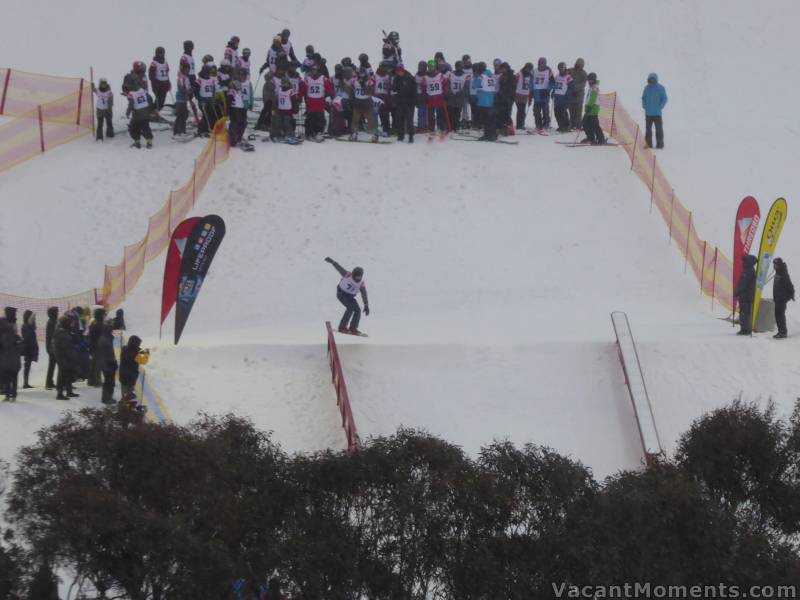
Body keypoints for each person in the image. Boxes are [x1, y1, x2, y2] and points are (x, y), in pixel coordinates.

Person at [325, 257, 369, 335]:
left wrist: (366, 304)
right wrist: (332, 261)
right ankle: (342, 327)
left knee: (358, 310)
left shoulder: (361, 283)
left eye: (360, 277)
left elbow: (364, 294)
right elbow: (339, 268)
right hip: (341, 293)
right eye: (357, 276)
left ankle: (353, 328)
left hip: (350, 297)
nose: (358, 278)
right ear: (353, 274)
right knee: (350, 308)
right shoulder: (347, 274)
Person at [303, 64, 332, 140]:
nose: (314, 71)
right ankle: (309, 133)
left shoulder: (323, 78)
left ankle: (319, 132)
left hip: (319, 101)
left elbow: (328, 88)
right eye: (313, 70)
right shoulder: (308, 79)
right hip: (311, 101)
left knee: (319, 117)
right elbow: (304, 89)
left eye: (315, 70)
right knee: (310, 118)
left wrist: (329, 96)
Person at [125, 75, 154, 149]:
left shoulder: (131, 93)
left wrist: (128, 112)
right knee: (146, 128)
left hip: (137, 114)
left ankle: (137, 142)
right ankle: (149, 142)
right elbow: (149, 98)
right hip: (145, 112)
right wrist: (151, 109)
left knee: (134, 127)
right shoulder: (142, 90)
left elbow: (131, 104)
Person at [53, 315, 78, 399]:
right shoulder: (64, 335)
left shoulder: (60, 331)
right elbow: (68, 349)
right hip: (64, 358)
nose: (72, 325)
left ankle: (68, 391)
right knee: (63, 375)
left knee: (66, 374)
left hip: (61, 356)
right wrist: (73, 358)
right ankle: (60, 394)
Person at [350, 69, 378, 142]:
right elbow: (351, 91)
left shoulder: (369, 81)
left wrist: (363, 85)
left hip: (367, 103)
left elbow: (369, 92)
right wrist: (352, 100)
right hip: (357, 102)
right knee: (355, 119)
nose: (361, 77)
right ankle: (354, 133)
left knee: (370, 119)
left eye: (363, 75)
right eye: (360, 75)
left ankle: (375, 134)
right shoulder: (354, 81)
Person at [642, 72, 668, 149]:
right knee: (648, 130)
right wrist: (645, 106)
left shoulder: (661, 88)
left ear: (656, 79)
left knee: (659, 130)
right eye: (651, 79)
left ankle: (660, 144)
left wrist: (660, 106)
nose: (652, 80)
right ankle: (648, 144)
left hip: (657, 114)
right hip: (648, 113)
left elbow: (665, 98)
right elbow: (643, 98)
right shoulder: (646, 88)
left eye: (653, 79)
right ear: (649, 79)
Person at [392, 63, 416, 143]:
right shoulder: (396, 78)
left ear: (403, 70)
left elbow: (414, 90)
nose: (399, 72)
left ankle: (411, 135)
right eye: (398, 71)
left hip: (409, 103)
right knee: (400, 120)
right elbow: (394, 89)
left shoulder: (410, 77)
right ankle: (400, 135)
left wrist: (413, 101)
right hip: (399, 102)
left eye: (400, 71)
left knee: (409, 120)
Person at [734, 254, 757, 335]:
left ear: (748, 262)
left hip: (746, 296)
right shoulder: (749, 270)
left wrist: (736, 292)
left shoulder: (748, 271)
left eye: (744, 261)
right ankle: (744, 329)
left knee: (744, 313)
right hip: (746, 295)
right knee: (744, 312)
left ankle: (745, 330)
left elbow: (743, 284)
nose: (742, 262)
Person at [772, 258, 795, 339]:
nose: (774, 266)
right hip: (778, 298)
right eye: (773, 264)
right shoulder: (778, 273)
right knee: (777, 315)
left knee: (780, 315)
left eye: (775, 264)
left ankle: (783, 332)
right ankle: (780, 331)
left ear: (779, 265)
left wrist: (791, 295)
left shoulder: (783, 273)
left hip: (781, 299)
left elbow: (790, 285)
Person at [423, 63, 448, 134]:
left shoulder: (440, 75)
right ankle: (431, 128)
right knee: (430, 114)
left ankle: (441, 127)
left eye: (432, 67)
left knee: (440, 113)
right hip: (430, 97)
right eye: (430, 67)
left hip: (439, 97)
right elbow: (423, 87)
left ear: (435, 67)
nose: (431, 69)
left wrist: (445, 93)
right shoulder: (426, 77)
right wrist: (425, 96)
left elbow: (445, 84)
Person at [228, 68, 250, 148]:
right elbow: (230, 94)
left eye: (244, 75)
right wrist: (230, 99)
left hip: (242, 107)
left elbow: (246, 95)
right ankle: (232, 139)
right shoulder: (233, 85)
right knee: (235, 123)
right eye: (241, 74)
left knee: (243, 123)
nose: (243, 76)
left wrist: (248, 103)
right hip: (234, 108)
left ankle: (238, 137)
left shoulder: (245, 85)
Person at [476, 63, 498, 141]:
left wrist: (476, 77)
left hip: (483, 100)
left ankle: (488, 135)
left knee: (486, 119)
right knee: (491, 119)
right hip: (491, 100)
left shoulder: (482, 76)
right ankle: (492, 134)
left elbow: (474, 85)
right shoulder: (492, 75)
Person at [1, 320, 21, 401]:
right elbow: (21, 349)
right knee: (14, 379)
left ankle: (7, 395)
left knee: (7, 380)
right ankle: (14, 395)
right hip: (15, 362)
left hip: (6, 362)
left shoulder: (3, 337)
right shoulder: (17, 337)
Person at [97, 322, 117, 404]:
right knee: (109, 382)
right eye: (111, 330)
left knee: (108, 381)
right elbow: (109, 354)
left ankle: (107, 397)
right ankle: (107, 398)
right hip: (107, 364)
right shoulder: (105, 340)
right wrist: (113, 362)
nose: (112, 332)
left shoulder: (106, 338)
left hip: (106, 363)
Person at [582, 72, 605, 144]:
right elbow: (589, 98)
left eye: (590, 80)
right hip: (589, 109)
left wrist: (589, 106)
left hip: (593, 109)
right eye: (588, 80)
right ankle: (590, 138)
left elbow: (593, 98)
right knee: (585, 124)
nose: (589, 81)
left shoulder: (595, 87)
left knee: (594, 125)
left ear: (594, 80)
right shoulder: (591, 87)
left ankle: (601, 139)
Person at [532, 57, 554, 131]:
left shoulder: (549, 71)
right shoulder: (534, 71)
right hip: (536, 94)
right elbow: (530, 82)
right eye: (540, 63)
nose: (541, 65)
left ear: (545, 64)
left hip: (544, 94)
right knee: (536, 111)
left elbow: (552, 82)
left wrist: (548, 90)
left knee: (545, 111)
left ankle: (546, 124)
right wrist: (531, 91)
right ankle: (538, 125)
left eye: (543, 64)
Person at [446, 61, 468, 132]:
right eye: (457, 66)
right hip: (452, 96)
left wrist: (461, 92)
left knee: (457, 112)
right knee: (451, 112)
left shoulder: (465, 75)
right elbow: (448, 84)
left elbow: (466, 86)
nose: (458, 67)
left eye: (460, 66)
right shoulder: (451, 74)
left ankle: (456, 126)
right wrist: (449, 91)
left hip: (460, 97)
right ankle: (451, 126)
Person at [553, 62, 574, 132]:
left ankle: (567, 126)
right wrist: (553, 92)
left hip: (564, 97)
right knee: (557, 112)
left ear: (565, 68)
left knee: (563, 112)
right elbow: (554, 86)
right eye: (560, 68)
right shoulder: (557, 76)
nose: (561, 69)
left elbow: (571, 87)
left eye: (562, 68)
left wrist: (567, 94)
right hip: (557, 97)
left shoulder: (568, 77)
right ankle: (561, 126)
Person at [21, 310, 39, 390]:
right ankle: (25, 383)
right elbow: (28, 337)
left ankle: (26, 382)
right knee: (27, 366)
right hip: (28, 349)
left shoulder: (28, 326)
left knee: (28, 366)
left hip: (30, 348)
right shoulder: (25, 326)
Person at [173, 61, 191, 137]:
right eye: (186, 69)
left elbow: (187, 86)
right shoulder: (181, 77)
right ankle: (177, 131)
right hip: (180, 98)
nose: (187, 70)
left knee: (185, 114)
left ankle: (182, 130)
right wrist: (187, 92)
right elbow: (180, 88)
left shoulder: (186, 77)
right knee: (181, 115)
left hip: (184, 98)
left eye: (188, 69)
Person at [568, 58, 587, 130]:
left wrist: (575, 89)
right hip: (570, 94)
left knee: (578, 110)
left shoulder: (584, 73)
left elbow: (583, 84)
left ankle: (578, 125)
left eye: (580, 64)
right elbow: (565, 76)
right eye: (577, 63)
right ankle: (572, 124)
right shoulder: (570, 70)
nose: (578, 65)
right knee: (571, 109)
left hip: (579, 94)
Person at [514, 63, 533, 130]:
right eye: (527, 68)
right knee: (520, 110)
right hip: (518, 94)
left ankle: (521, 124)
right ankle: (519, 125)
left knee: (522, 110)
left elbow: (530, 88)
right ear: (525, 68)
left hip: (525, 96)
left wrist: (530, 98)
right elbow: (514, 81)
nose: (528, 70)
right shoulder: (519, 74)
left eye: (530, 69)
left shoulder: (531, 76)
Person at [45, 306, 58, 389]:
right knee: (52, 365)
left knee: (52, 365)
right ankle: (49, 382)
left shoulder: (52, 321)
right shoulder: (52, 322)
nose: (57, 313)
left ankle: (49, 382)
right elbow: (53, 335)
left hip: (51, 346)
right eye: (56, 312)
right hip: (52, 347)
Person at [415, 61, 428, 131]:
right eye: (420, 67)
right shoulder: (416, 76)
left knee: (427, 111)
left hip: (427, 95)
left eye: (423, 67)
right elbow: (414, 87)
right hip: (419, 96)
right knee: (420, 112)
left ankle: (427, 125)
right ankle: (421, 126)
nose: (421, 68)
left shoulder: (428, 75)